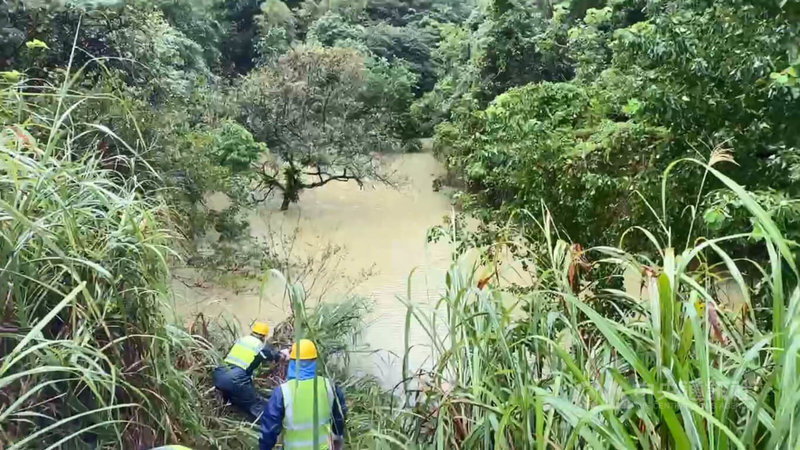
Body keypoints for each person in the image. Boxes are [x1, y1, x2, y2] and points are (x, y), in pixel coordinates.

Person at [259, 339, 347, 450]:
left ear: (293, 362)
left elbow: (269, 429)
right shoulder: (329, 386)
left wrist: (264, 447)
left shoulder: (282, 391)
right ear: (315, 361)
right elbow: (339, 417)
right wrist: (338, 438)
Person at [213, 322, 288, 419]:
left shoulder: (240, 340)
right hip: (236, 379)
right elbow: (270, 355)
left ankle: (235, 414)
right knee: (255, 404)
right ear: (264, 337)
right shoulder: (259, 345)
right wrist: (282, 355)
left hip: (218, 375)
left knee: (238, 401)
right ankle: (270, 424)